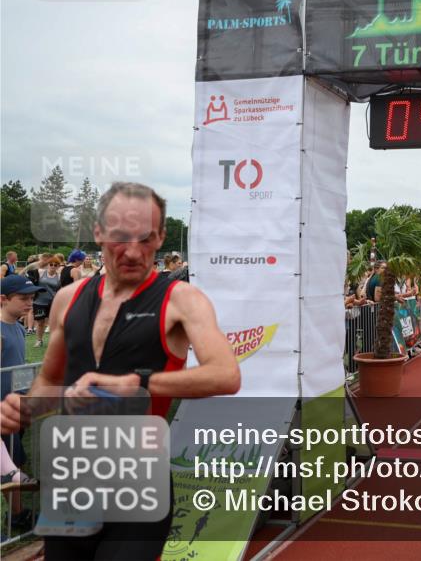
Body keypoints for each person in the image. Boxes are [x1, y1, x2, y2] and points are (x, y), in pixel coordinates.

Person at [0, 181, 241, 561]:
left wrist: (139, 382)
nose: (132, 250)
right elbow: (51, 379)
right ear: (98, 233)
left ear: (160, 237)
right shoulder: (68, 299)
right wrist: (25, 407)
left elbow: (226, 374)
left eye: (145, 238)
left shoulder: (182, 300)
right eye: (119, 237)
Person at [2, 275, 41, 467]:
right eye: (23, 298)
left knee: (16, 458)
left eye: (32, 298)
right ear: (3, 299)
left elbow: (19, 364)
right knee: (10, 466)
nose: (30, 303)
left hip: (18, 403)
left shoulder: (19, 327)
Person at [32, 257, 62, 348]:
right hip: (39, 301)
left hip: (53, 302)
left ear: (58, 266)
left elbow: (60, 289)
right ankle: (39, 340)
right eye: (51, 264)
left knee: (53, 323)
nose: (53, 266)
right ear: (48, 265)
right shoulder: (41, 272)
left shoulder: (59, 276)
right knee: (40, 322)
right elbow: (31, 268)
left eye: (55, 265)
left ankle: (53, 341)